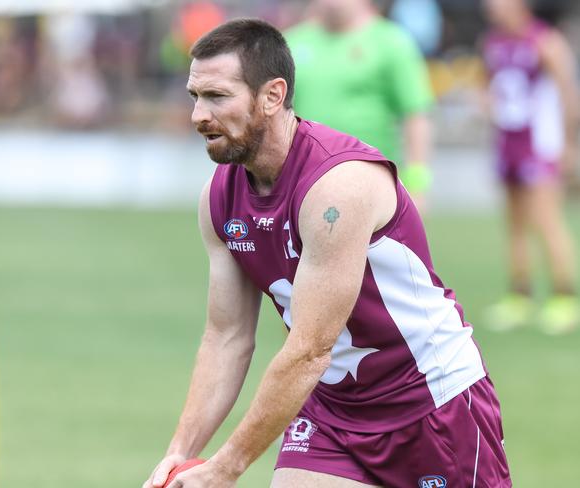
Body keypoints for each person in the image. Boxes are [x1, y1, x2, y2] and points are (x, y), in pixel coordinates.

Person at [144, 19, 511, 488]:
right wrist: (180, 454)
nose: (198, 115)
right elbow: (226, 337)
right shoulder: (218, 199)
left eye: (217, 97)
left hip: (431, 403)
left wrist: (226, 468)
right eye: (195, 96)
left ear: (273, 96)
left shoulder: (337, 188)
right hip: (332, 409)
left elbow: (310, 349)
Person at [481, 0, 579, 334]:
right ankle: (519, 294)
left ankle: (564, 296)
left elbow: (567, 94)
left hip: (540, 145)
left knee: (547, 220)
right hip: (508, 144)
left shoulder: (545, 41)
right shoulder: (492, 43)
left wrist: (568, 144)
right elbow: (488, 85)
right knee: (514, 223)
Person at [285, 0, 434, 210]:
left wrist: (417, 183)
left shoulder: (391, 41)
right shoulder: (292, 43)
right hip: (303, 182)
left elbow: (415, 115)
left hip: (372, 182)